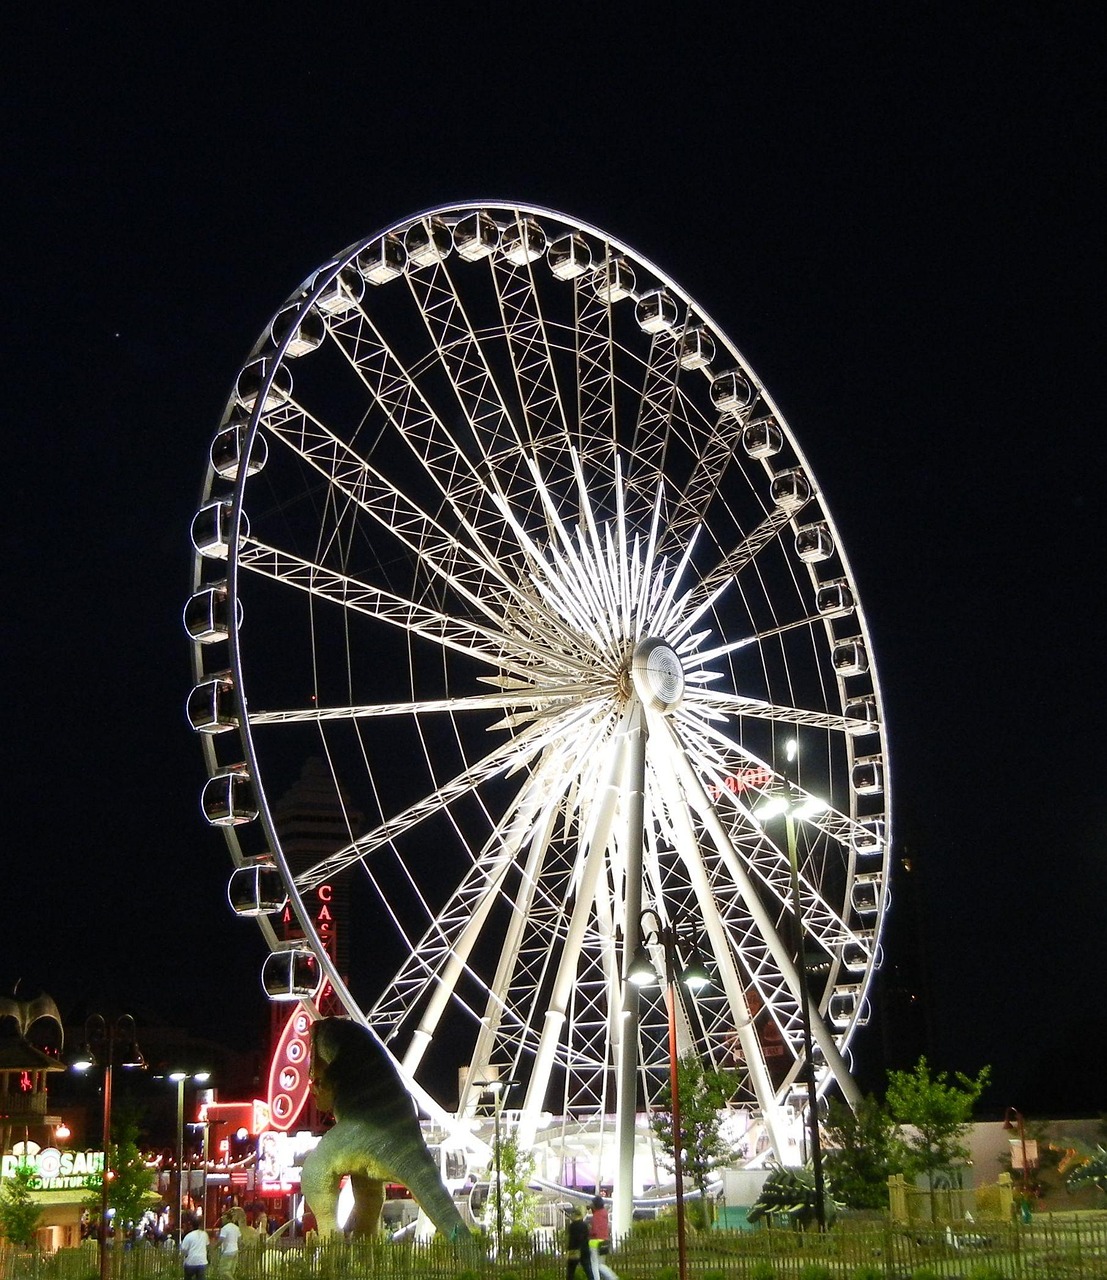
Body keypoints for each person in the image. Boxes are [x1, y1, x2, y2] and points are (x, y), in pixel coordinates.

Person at [587, 1196, 619, 1280]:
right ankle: (612, 1277)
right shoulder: (604, 1213)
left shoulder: (596, 1216)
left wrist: (589, 1232)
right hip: (605, 1240)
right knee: (601, 1264)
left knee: (595, 1264)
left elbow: (595, 1230)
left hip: (595, 1242)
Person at [565, 1206, 592, 1280]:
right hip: (585, 1250)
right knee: (588, 1270)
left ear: (574, 1216)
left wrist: (568, 1251)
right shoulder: (584, 1225)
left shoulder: (572, 1226)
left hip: (575, 1250)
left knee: (570, 1271)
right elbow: (587, 1237)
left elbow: (572, 1239)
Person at [216, 1211, 241, 1277]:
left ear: (228, 1219)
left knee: (223, 1271)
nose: (222, 1220)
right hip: (235, 1251)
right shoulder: (236, 1228)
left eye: (224, 1218)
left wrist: (215, 1247)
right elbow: (240, 1240)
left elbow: (221, 1240)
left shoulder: (225, 1228)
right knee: (231, 1271)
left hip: (227, 1251)